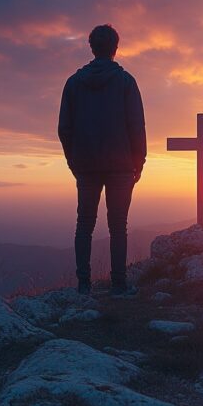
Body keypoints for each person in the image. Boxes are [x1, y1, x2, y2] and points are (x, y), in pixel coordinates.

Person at [58, 24, 146, 296]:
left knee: (84, 224)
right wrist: (138, 161)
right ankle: (119, 285)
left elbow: (64, 128)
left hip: (86, 165)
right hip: (121, 166)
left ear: (92, 47)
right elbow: (136, 126)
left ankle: (83, 285)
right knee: (118, 225)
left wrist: (74, 162)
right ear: (115, 48)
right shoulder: (126, 82)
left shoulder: (73, 83)